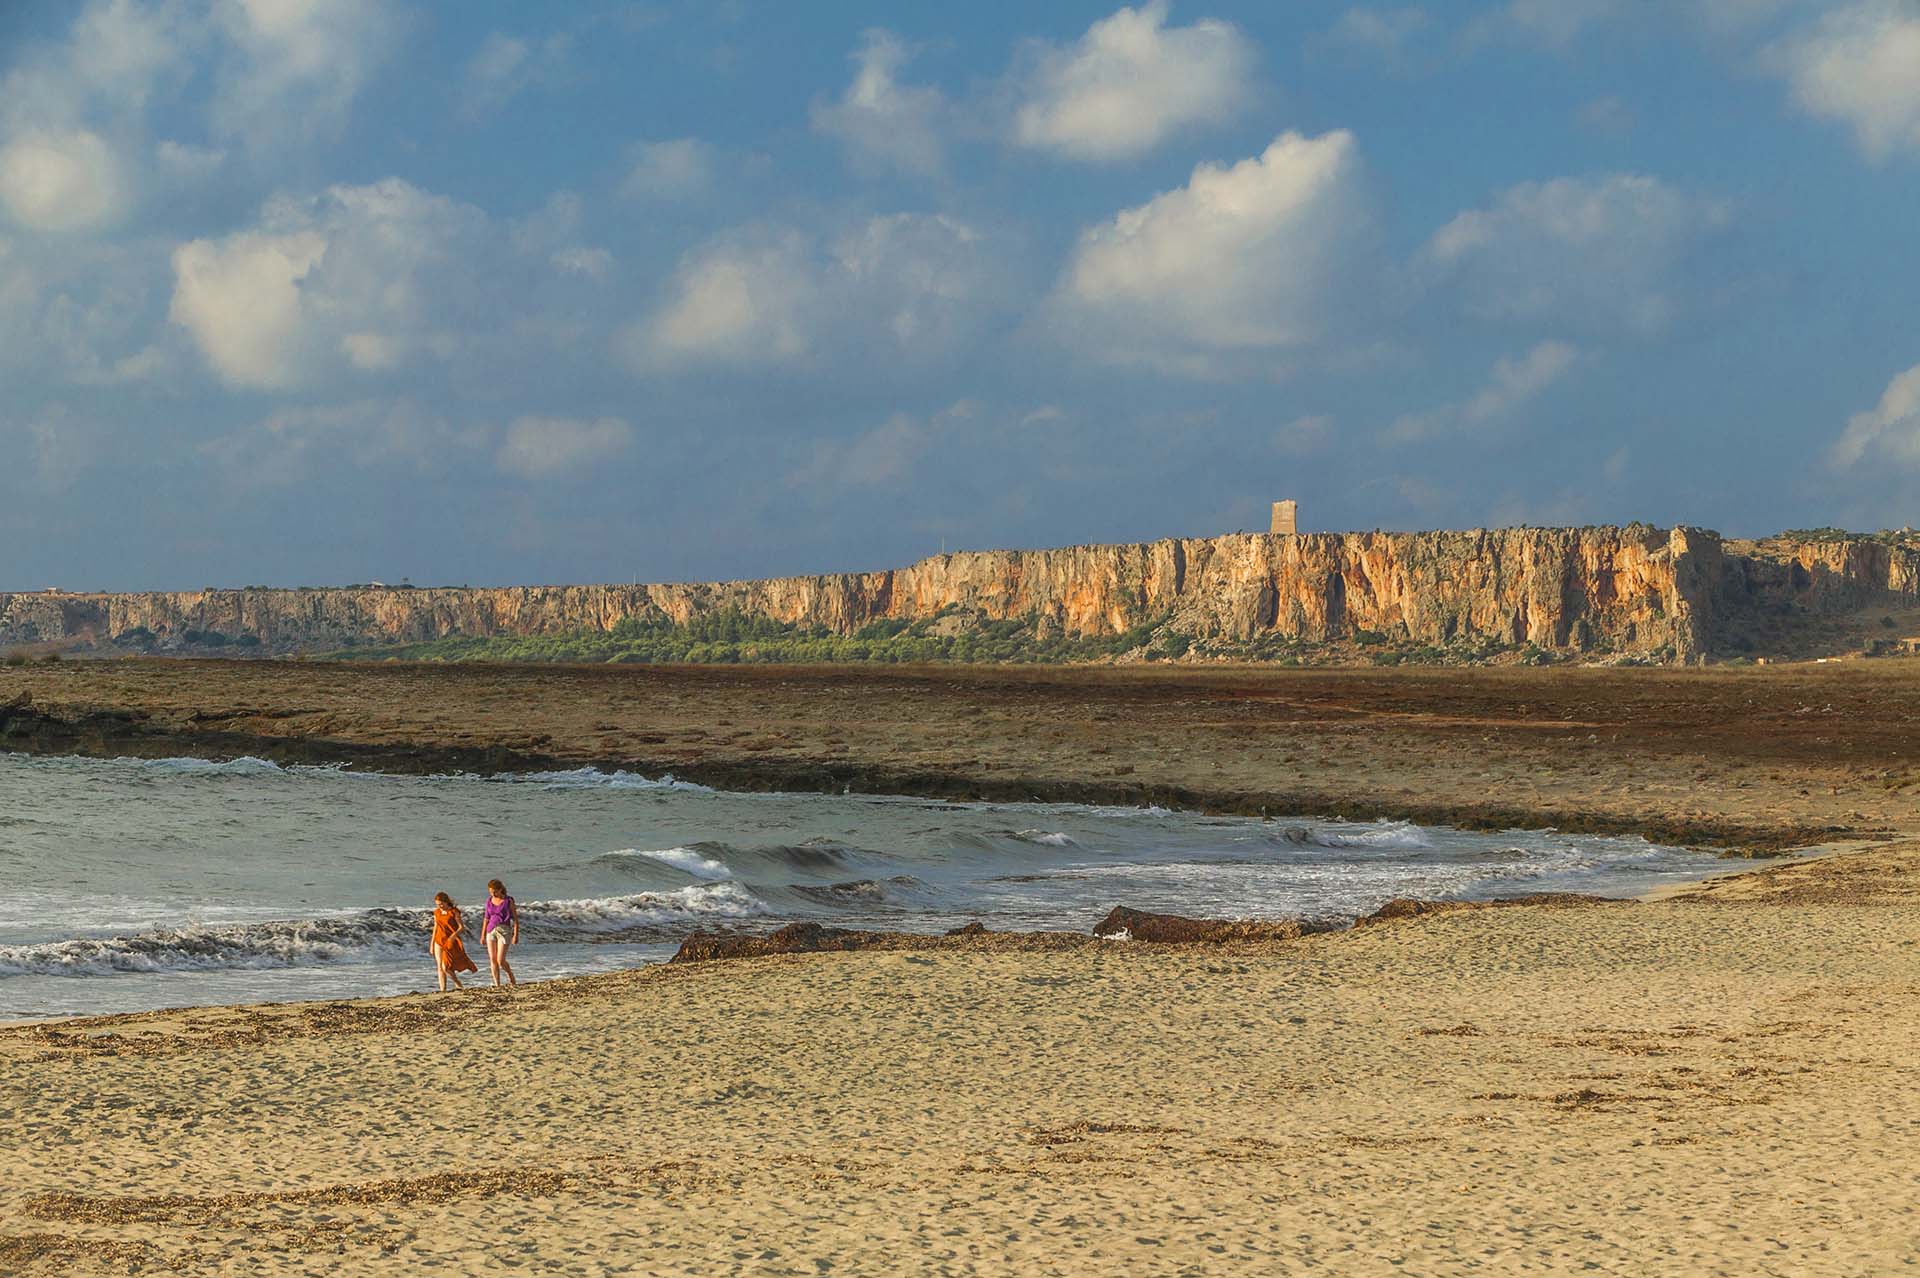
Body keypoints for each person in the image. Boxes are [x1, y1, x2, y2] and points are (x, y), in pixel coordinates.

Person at [430, 891, 478, 992]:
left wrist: (453, 936)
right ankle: (443, 990)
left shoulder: (454, 912)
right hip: (438, 941)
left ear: (446, 902)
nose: (440, 906)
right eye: (437, 904)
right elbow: (435, 928)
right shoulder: (437, 912)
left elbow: (461, 927)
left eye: (441, 904)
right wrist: (432, 943)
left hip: (450, 942)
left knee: (446, 967)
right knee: (440, 966)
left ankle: (457, 982)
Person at [481, 878, 519, 988]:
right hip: (491, 930)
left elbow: (515, 919)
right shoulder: (489, 901)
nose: (493, 894)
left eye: (495, 891)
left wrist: (515, 935)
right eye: (490, 891)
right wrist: (482, 935)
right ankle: (497, 984)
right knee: (492, 959)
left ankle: (510, 974)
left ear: (500, 890)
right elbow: (486, 919)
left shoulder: (508, 901)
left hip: (504, 930)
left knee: (500, 960)